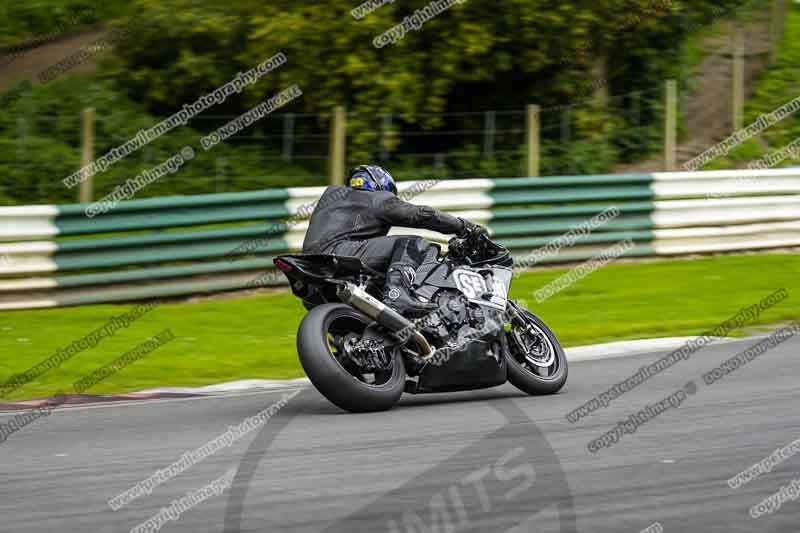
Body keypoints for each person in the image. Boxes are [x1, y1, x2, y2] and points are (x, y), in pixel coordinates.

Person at [302, 165, 486, 315]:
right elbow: (422, 215)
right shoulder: (378, 198)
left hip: (311, 272)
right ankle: (397, 293)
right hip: (339, 255)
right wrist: (463, 226)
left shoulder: (331, 196)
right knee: (414, 243)